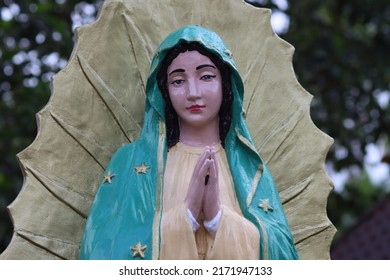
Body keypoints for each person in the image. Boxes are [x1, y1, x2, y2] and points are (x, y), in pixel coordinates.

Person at [78, 25, 299, 260]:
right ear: (164, 91)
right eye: (178, 81)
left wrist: (217, 219)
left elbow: (282, 257)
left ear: (225, 84)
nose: (193, 92)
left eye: (206, 77)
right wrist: (187, 216)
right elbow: (102, 252)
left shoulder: (250, 170)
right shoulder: (130, 162)